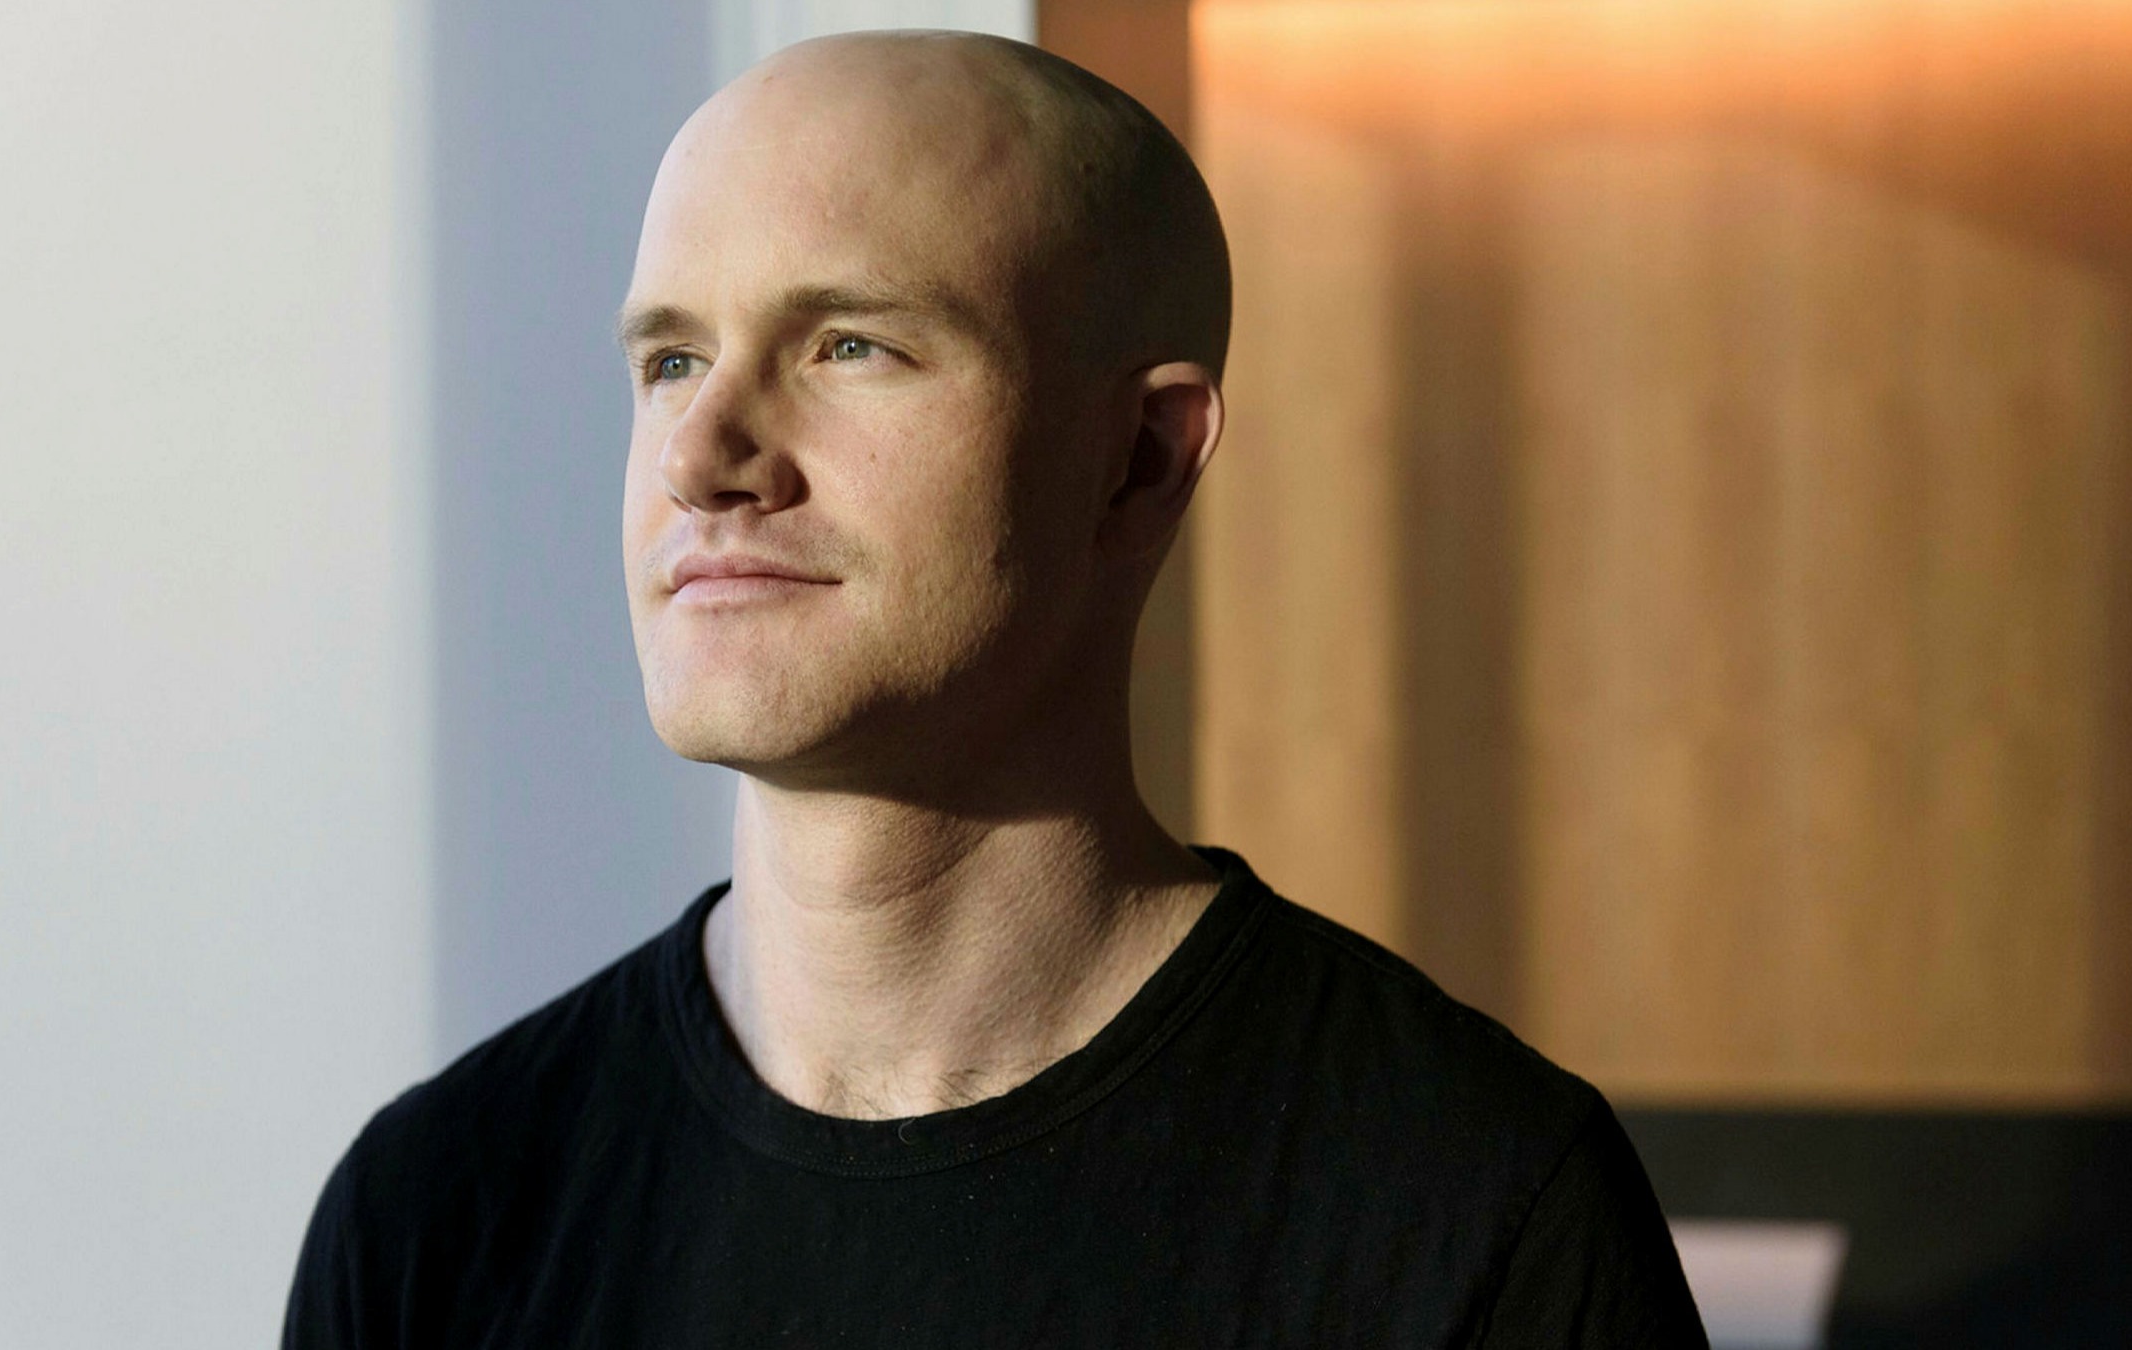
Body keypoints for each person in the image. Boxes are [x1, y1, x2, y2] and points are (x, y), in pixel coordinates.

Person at [284, 29, 1706, 1348]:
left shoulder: (1476, 1213)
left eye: (849, 344)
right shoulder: (441, 1209)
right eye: (670, 359)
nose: (698, 458)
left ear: (1139, 459)